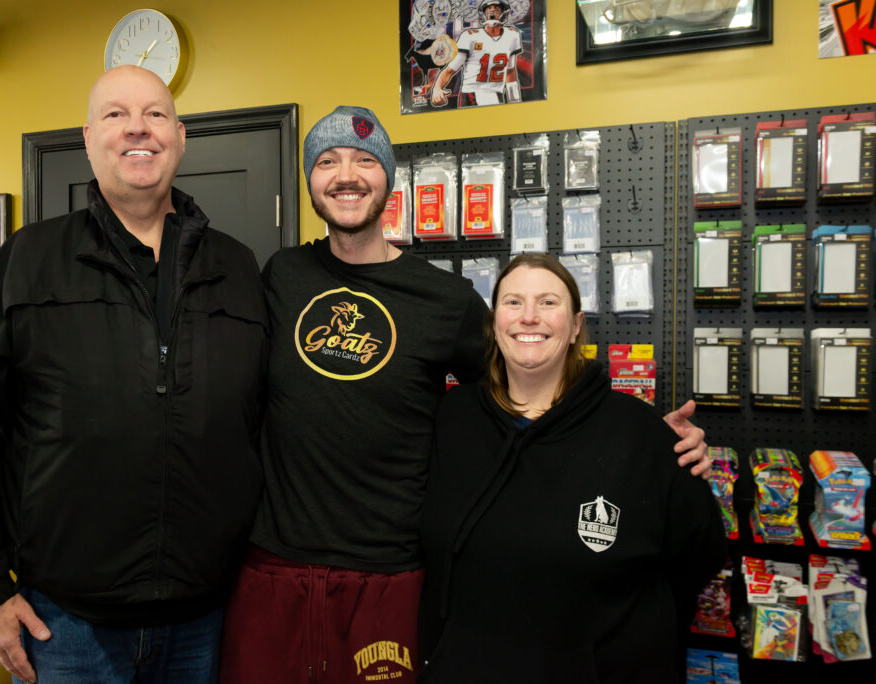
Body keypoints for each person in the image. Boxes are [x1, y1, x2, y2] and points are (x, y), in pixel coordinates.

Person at [219, 106, 711, 684]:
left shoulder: (445, 298)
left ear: (388, 180)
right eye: (327, 161)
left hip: (389, 570)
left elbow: (529, 385)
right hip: (276, 563)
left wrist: (642, 444)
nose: (345, 174)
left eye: (363, 160)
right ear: (309, 180)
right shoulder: (282, 275)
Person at [0, 65, 267, 684]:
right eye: (116, 115)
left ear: (181, 136)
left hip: (204, 620)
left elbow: (261, 427)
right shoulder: (27, 261)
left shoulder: (238, 268)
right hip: (64, 625)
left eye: (155, 114)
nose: (137, 128)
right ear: (89, 138)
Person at [418, 253, 726, 682]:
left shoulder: (639, 432)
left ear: (577, 324)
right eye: (513, 302)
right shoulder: (451, 418)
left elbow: (700, 555)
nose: (529, 317)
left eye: (548, 302)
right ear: (492, 323)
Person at [430, 0, 523, 108]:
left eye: (496, 9)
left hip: (498, 93)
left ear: (504, 13)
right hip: (473, 93)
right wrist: (437, 88)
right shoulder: (470, 36)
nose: (492, 12)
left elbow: (510, 71)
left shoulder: (512, 35)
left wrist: (515, 100)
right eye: (488, 9)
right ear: (483, 14)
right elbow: (450, 69)